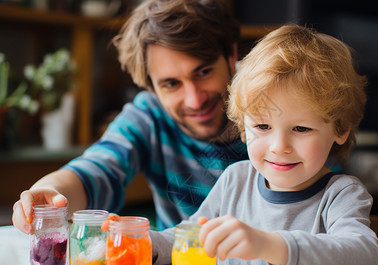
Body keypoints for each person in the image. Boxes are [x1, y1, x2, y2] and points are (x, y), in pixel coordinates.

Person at [148, 24, 378, 265]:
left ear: (340, 129)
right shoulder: (235, 180)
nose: (279, 146)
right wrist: (146, 243)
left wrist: (271, 246)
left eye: (301, 128)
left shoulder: (340, 196)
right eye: (262, 126)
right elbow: (191, 237)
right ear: (243, 127)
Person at [12, 0, 248, 233]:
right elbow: (98, 167)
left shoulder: (272, 99)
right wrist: (49, 193)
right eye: (171, 84)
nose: (194, 99)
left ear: (231, 55)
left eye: (204, 72)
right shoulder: (149, 115)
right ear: (151, 87)